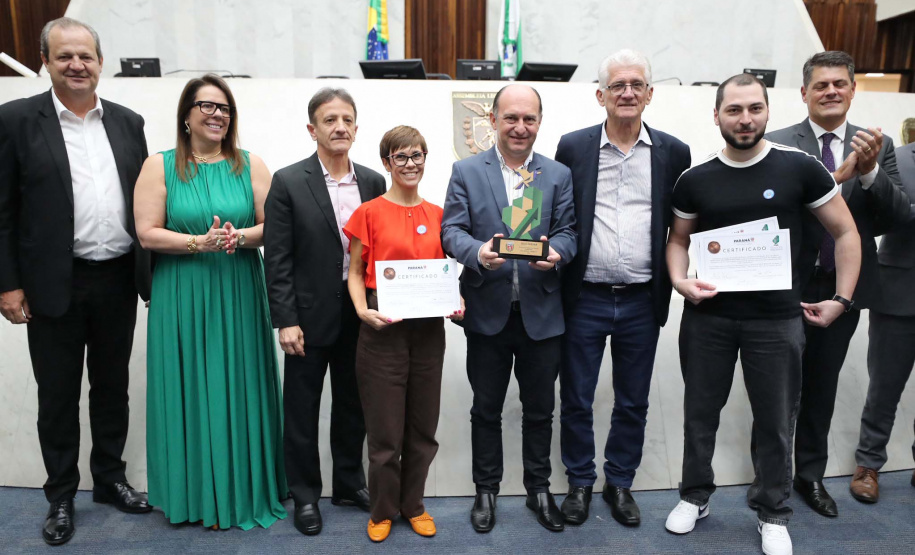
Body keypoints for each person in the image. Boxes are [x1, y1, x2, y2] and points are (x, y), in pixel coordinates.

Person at [663, 74, 860, 555]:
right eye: (734, 110)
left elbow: (847, 234)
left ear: (767, 111)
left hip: (776, 321)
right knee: (699, 414)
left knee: (775, 420)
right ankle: (695, 496)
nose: (745, 118)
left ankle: (772, 511)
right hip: (708, 318)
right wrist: (678, 280)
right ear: (717, 116)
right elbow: (678, 240)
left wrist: (842, 299)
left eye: (754, 108)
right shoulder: (696, 179)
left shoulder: (801, 168)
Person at [0, 17, 152, 545]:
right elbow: (3, 212)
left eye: (85, 55)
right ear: (45, 61)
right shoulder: (16, 120)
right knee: (58, 395)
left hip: (117, 278)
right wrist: (8, 284)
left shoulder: (129, 123)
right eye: (64, 56)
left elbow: (145, 201)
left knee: (113, 388)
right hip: (52, 284)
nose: (76, 65)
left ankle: (110, 479)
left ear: (100, 61)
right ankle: (61, 495)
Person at [134, 74, 287, 530]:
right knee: (188, 386)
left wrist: (237, 237)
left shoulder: (251, 165)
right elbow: (146, 232)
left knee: (238, 384)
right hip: (182, 293)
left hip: (238, 289)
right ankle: (192, 495)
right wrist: (199, 242)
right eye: (207, 106)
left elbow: (271, 226)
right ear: (186, 115)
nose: (218, 114)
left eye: (224, 108)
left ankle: (243, 489)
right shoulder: (158, 166)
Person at [762, 51, 908, 517]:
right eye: (820, 85)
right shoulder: (777, 143)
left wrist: (867, 173)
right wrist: (837, 177)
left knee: (821, 390)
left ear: (851, 90)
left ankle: (810, 476)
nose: (830, 91)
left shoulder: (875, 147)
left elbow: (895, 217)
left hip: (843, 292)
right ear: (804, 93)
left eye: (839, 84)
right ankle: (768, 480)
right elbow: (769, 216)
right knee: (776, 391)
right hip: (785, 288)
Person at [555, 49, 691, 526]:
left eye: (636, 84)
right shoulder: (573, 147)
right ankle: (578, 483)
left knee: (633, 399)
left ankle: (620, 483)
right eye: (617, 86)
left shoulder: (674, 152)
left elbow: (680, 227)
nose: (628, 92)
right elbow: (561, 217)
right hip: (584, 298)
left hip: (641, 298)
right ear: (601, 96)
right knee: (576, 397)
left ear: (650, 94)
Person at [441, 84, 577, 533]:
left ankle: (539, 491)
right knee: (486, 408)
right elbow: (451, 231)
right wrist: (478, 252)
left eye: (529, 119)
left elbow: (569, 233)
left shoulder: (557, 174)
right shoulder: (466, 171)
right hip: (487, 312)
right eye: (511, 118)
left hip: (542, 314)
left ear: (539, 122)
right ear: (494, 121)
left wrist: (556, 252)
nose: (520, 127)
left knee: (540, 410)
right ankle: (486, 491)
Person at [263, 88, 386, 536]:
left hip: (359, 315)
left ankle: (348, 483)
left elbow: (381, 251)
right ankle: (306, 494)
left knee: (354, 406)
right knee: (301, 409)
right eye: (330, 120)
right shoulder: (289, 181)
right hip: (306, 317)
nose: (340, 127)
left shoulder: (373, 181)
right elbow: (276, 259)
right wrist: (286, 319)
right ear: (312, 129)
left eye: (347, 119)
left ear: (356, 127)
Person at [344, 125, 464, 542]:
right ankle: (382, 510)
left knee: (422, 428)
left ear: (425, 160)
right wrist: (362, 311)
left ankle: (413, 505)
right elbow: (356, 272)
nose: (410, 164)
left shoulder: (440, 215)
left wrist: (457, 300)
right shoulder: (368, 212)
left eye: (416, 156)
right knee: (384, 433)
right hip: (383, 330)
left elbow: (449, 272)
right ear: (386, 163)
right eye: (401, 157)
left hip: (429, 332)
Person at [850, 140, 915, 503]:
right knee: (884, 388)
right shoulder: (896, 158)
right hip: (899, 294)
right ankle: (869, 464)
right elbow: (888, 214)